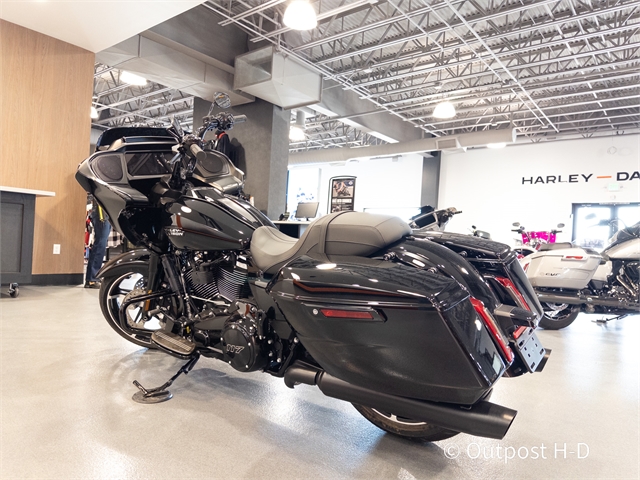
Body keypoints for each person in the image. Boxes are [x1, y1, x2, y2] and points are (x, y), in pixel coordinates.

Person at [85, 195, 111, 288]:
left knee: (101, 244)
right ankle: (92, 278)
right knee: (100, 243)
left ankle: (93, 277)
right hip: (101, 211)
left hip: (106, 210)